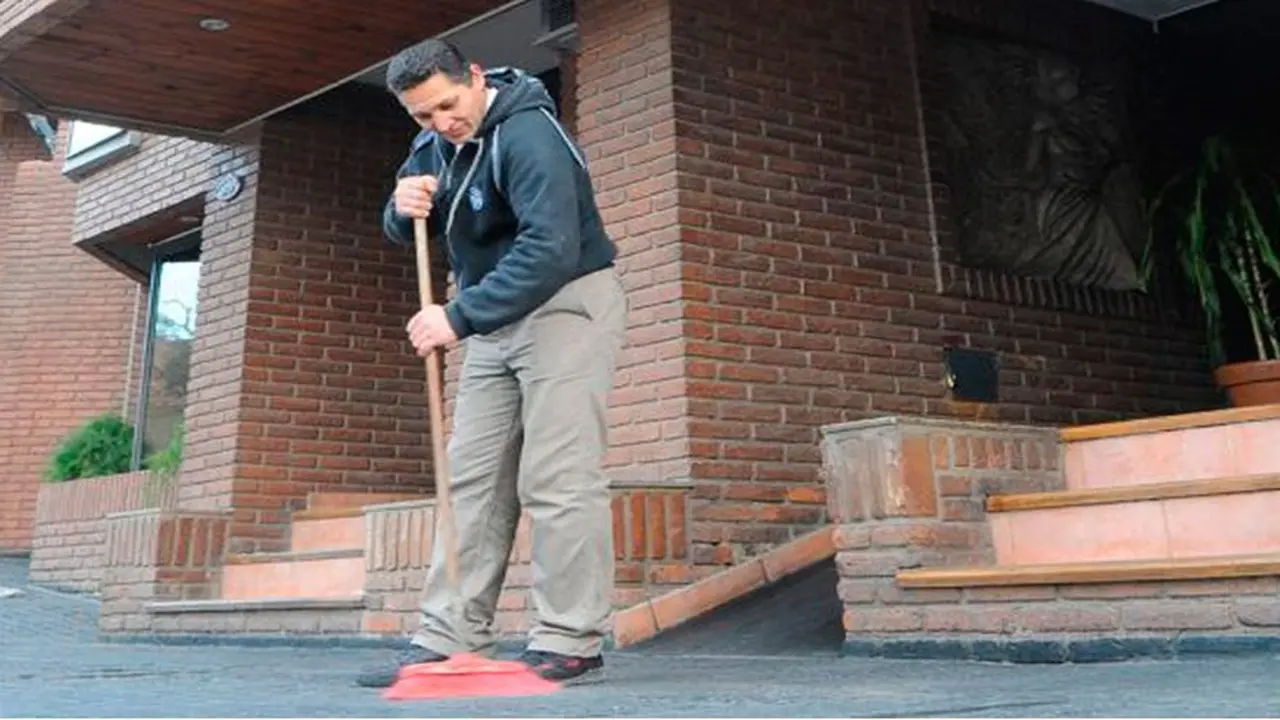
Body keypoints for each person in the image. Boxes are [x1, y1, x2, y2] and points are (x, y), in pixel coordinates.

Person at [354, 39, 627, 688]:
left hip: (565, 302)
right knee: (471, 479)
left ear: (475, 77)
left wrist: (457, 316)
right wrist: (399, 208)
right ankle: (447, 637)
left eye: (448, 105)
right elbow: (411, 223)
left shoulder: (531, 134)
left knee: (557, 475)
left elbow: (551, 248)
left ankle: (570, 641)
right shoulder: (431, 144)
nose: (441, 122)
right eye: (423, 115)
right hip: (490, 319)